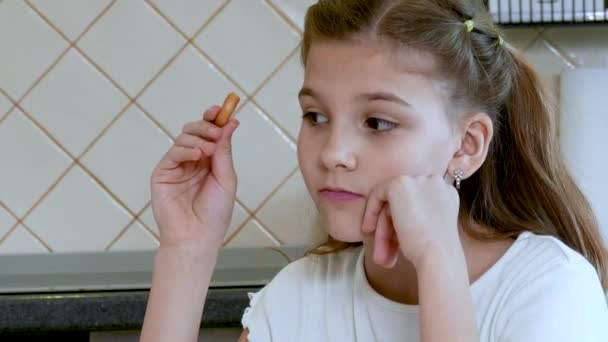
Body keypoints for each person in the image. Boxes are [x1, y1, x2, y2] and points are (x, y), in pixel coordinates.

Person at [139, 1, 608, 341]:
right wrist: (187, 249)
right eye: (315, 117)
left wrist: (438, 263)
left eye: (378, 122)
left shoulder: (550, 287)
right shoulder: (297, 297)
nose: (333, 154)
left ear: (466, 146)